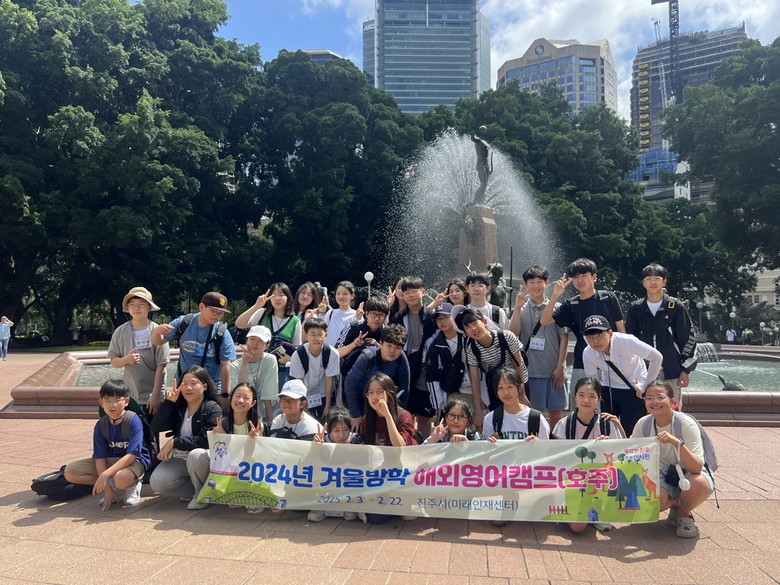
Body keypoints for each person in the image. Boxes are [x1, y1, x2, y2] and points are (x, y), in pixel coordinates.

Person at [631, 381, 716, 538]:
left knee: (697, 483)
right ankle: (676, 503)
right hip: (661, 472)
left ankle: (683, 513)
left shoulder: (685, 423)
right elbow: (630, 452)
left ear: (672, 401)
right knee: (653, 499)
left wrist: (676, 443)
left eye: (660, 397)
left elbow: (696, 467)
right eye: (649, 398)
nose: (654, 402)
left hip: (689, 471)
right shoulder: (644, 424)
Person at [539, 258, 625, 409]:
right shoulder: (571, 304)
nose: (580, 280)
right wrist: (555, 296)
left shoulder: (607, 298)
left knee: (609, 412)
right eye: (575, 277)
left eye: (584, 275)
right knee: (581, 410)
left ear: (594, 277)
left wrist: (623, 358)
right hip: (582, 364)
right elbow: (544, 320)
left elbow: (621, 330)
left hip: (611, 364)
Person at [551, 377, 624, 535]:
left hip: (600, 480)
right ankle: (577, 507)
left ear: (599, 399)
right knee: (578, 527)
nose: (586, 400)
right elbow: (557, 459)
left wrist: (609, 444)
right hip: (573, 479)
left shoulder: (607, 423)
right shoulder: (564, 424)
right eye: (581, 395)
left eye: (592, 396)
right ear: (574, 396)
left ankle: (598, 506)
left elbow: (622, 455)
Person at [63, 379, 150, 510]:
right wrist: (107, 489)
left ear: (126, 401)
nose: (112, 405)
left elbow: (132, 455)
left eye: (117, 400)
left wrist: (104, 476)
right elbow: (99, 457)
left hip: (133, 462)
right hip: (110, 460)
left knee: (121, 478)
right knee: (70, 472)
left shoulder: (133, 420)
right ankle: (114, 489)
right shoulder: (101, 424)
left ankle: (133, 484)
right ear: (101, 402)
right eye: (107, 400)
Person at [626, 263, 698, 408]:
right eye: (648, 279)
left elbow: (688, 339)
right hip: (643, 372)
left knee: (672, 411)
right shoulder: (636, 309)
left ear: (664, 281)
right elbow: (629, 340)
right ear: (643, 283)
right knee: (645, 411)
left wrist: (685, 370)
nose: (652, 282)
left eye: (657, 278)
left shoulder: (675, 306)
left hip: (672, 370)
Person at [149, 366, 222, 510]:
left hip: (204, 458)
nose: (188, 387)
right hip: (180, 457)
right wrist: (169, 403)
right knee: (157, 482)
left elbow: (205, 440)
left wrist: (175, 442)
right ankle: (197, 491)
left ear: (205, 386)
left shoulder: (212, 408)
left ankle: (201, 496)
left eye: (194, 383)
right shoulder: (178, 407)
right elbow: (156, 427)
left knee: (195, 455)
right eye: (184, 383)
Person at [187, 382, 265, 514]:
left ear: (253, 403)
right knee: (196, 455)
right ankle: (202, 494)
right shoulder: (222, 423)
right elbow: (218, 456)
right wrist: (222, 437)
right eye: (237, 396)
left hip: (249, 472)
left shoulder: (258, 425)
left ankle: (252, 494)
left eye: (246, 398)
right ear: (231, 398)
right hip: (228, 469)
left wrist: (257, 440)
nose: (240, 400)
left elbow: (263, 457)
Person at [582, 315, 663, 436]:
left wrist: (646, 387)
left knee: (632, 431)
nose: (595, 341)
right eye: (590, 337)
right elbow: (593, 383)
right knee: (606, 430)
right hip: (608, 389)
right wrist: (595, 410)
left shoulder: (626, 341)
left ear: (610, 333)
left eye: (599, 335)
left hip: (633, 389)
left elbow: (657, 357)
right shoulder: (588, 353)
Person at [509, 266, 569, 429]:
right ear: (525, 284)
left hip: (552, 370)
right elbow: (513, 333)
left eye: (539, 282)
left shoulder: (557, 307)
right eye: (532, 282)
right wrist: (517, 308)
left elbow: (563, 337)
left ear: (546, 283)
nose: (536, 286)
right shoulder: (521, 309)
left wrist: (560, 366)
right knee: (532, 413)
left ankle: (555, 441)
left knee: (556, 411)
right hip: (530, 371)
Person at [151, 292, 235, 397]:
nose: (217, 316)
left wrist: (224, 395)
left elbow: (226, 366)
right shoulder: (184, 322)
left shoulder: (222, 332)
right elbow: (158, 341)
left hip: (210, 390)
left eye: (221, 313)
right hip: (183, 387)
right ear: (201, 307)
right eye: (213, 311)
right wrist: (157, 332)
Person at [455, 306, 526, 428]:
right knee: (499, 421)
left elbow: (519, 365)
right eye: (467, 327)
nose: (473, 329)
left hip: (517, 382)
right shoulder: (472, 349)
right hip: (497, 385)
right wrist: (478, 411)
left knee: (521, 416)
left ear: (484, 322)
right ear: (466, 333)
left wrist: (522, 394)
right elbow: (475, 381)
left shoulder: (507, 336)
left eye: (475, 323)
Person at [362, 372, 419, 524]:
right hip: (379, 477)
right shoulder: (367, 419)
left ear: (390, 393)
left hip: (402, 474)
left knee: (407, 516)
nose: (375, 396)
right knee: (377, 518)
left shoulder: (404, 416)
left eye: (380, 391)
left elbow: (399, 447)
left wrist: (387, 415)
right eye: (371, 392)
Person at [107, 286, 169, 413]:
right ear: (127, 308)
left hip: (151, 397)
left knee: (150, 426)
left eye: (141, 304)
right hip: (128, 396)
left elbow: (162, 366)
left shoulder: (157, 331)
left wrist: (156, 395)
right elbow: (113, 362)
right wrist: (126, 360)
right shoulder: (120, 332)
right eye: (132, 304)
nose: (136, 308)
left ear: (149, 307)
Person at [390, 276, 437, 439]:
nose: (411, 295)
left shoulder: (432, 316)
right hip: (405, 369)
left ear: (423, 292)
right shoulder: (398, 317)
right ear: (402, 295)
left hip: (425, 370)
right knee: (405, 413)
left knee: (425, 415)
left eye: (414, 291)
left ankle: (424, 445)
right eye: (406, 292)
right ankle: (407, 443)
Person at [234, 283, 302, 390]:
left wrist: (290, 359)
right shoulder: (262, 313)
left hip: (281, 369)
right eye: (274, 295)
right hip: (258, 366)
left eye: (281, 295)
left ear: (288, 298)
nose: (277, 298)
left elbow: (297, 347)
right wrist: (257, 306)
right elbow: (239, 324)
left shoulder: (295, 321)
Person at [343, 324, 410, 432]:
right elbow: (349, 384)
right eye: (389, 346)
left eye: (397, 348)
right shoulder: (367, 358)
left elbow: (404, 389)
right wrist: (355, 415)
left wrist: (397, 413)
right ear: (381, 343)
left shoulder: (401, 359)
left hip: (383, 400)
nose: (392, 351)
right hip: (360, 399)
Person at [308, 408, 364, 523]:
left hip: (349, 487)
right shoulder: (322, 439)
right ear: (329, 430)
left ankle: (350, 506)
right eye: (336, 430)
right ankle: (321, 506)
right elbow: (310, 467)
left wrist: (353, 453)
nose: (341, 435)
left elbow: (366, 466)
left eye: (346, 429)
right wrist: (315, 448)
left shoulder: (355, 439)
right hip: (326, 487)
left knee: (350, 515)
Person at [289, 317, 340, 421]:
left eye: (320, 334)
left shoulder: (332, 353)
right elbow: (299, 382)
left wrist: (328, 406)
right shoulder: (298, 354)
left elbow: (329, 379)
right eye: (312, 334)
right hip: (305, 395)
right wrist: (304, 408)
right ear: (306, 336)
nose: (316, 338)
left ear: (326, 336)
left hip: (324, 394)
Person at [425, 302, 472, 411]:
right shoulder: (435, 345)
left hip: (473, 390)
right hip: (451, 392)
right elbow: (432, 376)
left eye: (445, 317)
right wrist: (438, 404)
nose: (442, 321)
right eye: (438, 319)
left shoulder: (467, 337)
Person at [483, 367, 549, 441]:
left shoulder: (537, 418)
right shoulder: (490, 419)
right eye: (500, 388)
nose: (505, 392)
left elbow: (546, 447)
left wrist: (537, 443)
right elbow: (486, 447)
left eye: (510, 387)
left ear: (520, 387)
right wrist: (488, 444)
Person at [230, 325, 278, 423]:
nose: (255, 344)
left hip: (263, 410)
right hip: (242, 408)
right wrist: (244, 364)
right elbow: (239, 389)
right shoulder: (235, 365)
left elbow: (268, 392)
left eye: (260, 340)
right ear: (247, 341)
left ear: (267, 345)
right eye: (252, 339)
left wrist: (270, 420)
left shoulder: (270, 360)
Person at [471, 125, 492, 205]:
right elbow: (473, 139)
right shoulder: (478, 140)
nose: (484, 132)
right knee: (483, 184)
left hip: (486, 164)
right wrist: (472, 135)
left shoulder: (486, 142)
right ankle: (475, 200)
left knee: (485, 185)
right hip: (480, 164)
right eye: (482, 130)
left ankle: (481, 201)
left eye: (485, 130)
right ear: (480, 131)